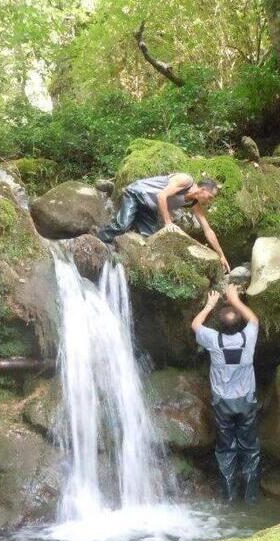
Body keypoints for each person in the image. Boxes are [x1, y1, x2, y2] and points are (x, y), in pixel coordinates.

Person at [192, 283, 260, 503]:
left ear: (219, 328)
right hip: (246, 401)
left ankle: (229, 497)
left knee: (226, 449)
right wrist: (235, 300)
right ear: (239, 326)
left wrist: (209, 305)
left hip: (222, 404)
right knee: (250, 448)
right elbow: (254, 320)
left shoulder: (213, 340)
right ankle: (250, 498)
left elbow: (195, 325)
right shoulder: (247, 338)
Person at [97, 172, 231, 272]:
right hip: (136, 193)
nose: (210, 201)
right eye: (210, 197)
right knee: (122, 226)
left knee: (147, 240)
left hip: (148, 208)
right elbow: (162, 196)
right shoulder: (185, 180)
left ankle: (120, 261)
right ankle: (97, 240)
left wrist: (221, 255)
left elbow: (208, 230)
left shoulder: (194, 203)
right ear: (202, 190)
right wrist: (168, 223)